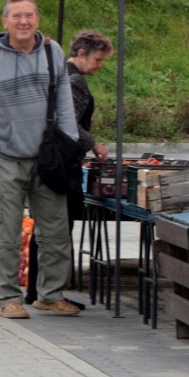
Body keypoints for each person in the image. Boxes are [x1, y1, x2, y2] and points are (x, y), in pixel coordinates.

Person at [0, 0, 82, 319]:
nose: (23, 21)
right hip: (6, 159)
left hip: (47, 160)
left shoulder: (53, 53)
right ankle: (8, 298)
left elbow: (65, 106)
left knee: (54, 231)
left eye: (29, 15)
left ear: (38, 19)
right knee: (5, 232)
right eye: (16, 16)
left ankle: (50, 295)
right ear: (5, 21)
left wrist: (70, 146)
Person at [24, 30, 113, 306]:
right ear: (82, 53)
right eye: (98, 60)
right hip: (62, 163)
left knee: (48, 225)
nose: (100, 66)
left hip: (53, 159)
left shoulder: (62, 74)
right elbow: (70, 123)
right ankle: (47, 291)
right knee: (58, 227)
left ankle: (37, 290)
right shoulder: (73, 81)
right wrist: (94, 143)